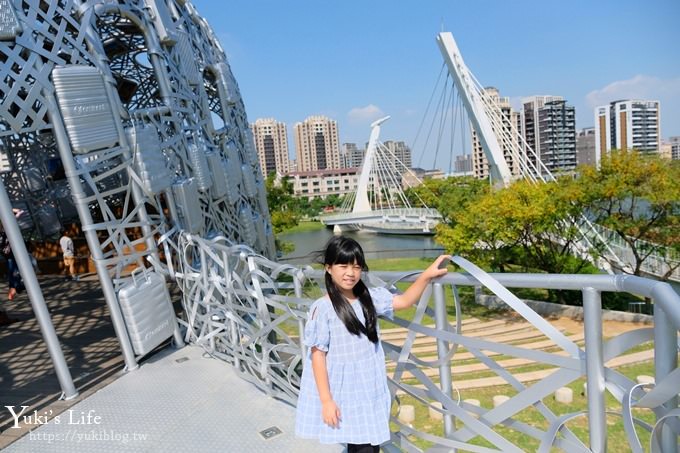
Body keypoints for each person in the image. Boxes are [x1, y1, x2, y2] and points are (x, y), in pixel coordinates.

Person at [295, 236, 450, 452]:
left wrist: (426, 276)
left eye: (357, 267)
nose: (351, 273)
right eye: (343, 265)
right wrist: (326, 401)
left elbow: (403, 301)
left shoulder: (368, 298)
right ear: (329, 268)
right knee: (362, 446)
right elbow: (318, 355)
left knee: (368, 443)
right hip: (344, 391)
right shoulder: (322, 309)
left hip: (369, 385)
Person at [0, 230, 21, 300]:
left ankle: (13, 287)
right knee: (12, 269)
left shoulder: (4, 232)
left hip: (10, 254)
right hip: (10, 254)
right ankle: (14, 287)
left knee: (12, 269)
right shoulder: (3, 233)